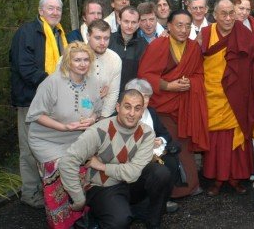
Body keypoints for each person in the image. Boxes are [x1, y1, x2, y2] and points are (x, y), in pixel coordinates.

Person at [59, 89, 172, 229]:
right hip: (103, 187)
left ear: (142, 111)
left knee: (161, 173)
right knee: (120, 220)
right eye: (127, 106)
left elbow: (132, 173)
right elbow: (67, 162)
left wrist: (101, 166)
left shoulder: (147, 133)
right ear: (118, 107)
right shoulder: (99, 130)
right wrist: (79, 201)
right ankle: (100, 214)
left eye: (137, 109)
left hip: (130, 182)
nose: (132, 113)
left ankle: (152, 222)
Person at [26, 41, 102, 228]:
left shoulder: (93, 82)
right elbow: (35, 115)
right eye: (77, 60)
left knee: (89, 170)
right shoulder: (52, 82)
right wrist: (64, 127)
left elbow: (97, 111)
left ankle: (82, 216)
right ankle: (61, 222)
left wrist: (91, 119)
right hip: (47, 140)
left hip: (78, 139)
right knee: (61, 171)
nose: (82, 64)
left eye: (86, 60)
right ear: (68, 61)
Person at [200, 0, 254, 196]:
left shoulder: (243, 33)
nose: (228, 18)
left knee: (238, 139)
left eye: (231, 13)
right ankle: (217, 179)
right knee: (216, 142)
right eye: (224, 14)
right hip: (213, 94)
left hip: (238, 94)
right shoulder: (205, 34)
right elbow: (195, 63)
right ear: (215, 14)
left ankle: (236, 178)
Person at [137, 9, 208, 198]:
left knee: (183, 146)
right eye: (179, 25)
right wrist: (168, 85)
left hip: (184, 104)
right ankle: (170, 190)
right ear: (169, 26)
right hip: (162, 106)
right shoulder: (158, 45)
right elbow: (145, 75)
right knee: (168, 145)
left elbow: (200, 75)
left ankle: (190, 185)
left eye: (187, 26)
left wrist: (190, 83)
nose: (183, 30)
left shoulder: (193, 48)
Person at [9, 0, 68, 208]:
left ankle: (50, 191)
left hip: (52, 102)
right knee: (29, 149)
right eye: (50, 8)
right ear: (40, 11)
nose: (54, 12)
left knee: (49, 146)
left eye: (58, 9)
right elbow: (25, 68)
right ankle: (30, 193)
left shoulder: (60, 34)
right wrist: (53, 84)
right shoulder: (27, 33)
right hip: (30, 101)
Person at [124, 78, 181, 214]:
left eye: (147, 97)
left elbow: (165, 134)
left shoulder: (151, 113)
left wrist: (160, 140)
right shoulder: (123, 115)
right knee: (157, 171)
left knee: (172, 162)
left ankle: (162, 201)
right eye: (141, 97)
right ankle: (146, 204)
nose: (145, 101)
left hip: (155, 154)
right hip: (133, 158)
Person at [86, 19, 122, 118]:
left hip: (102, 116)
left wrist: (103, 119)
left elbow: (113, 93)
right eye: (97, 38)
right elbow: (68, 95)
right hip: (73, 117)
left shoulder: (114, 59)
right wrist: (97, 97)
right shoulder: (72, 57)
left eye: (106, 38)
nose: (102, 42)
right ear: (88, 36)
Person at [108, 6, 148, 91]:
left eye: (133, 22)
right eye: (126, 21)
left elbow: (145, 75)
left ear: (138, 23)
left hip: (132, 95)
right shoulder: (108, 40)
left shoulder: (144, 45)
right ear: (119, 20)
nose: (130, 26)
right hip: (108, 92)